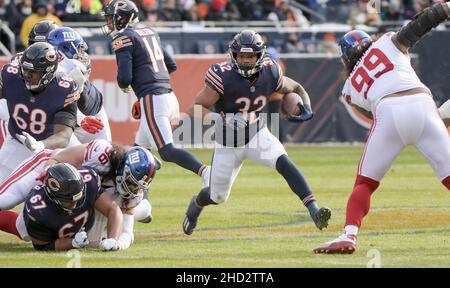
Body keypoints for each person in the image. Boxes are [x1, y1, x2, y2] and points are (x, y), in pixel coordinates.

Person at [313, 2, 450, 254]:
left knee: (364, 183)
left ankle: (349, 235)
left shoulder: (349, 88)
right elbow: (419, 25)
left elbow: (372, 113)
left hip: (387, 111)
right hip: (421, 102)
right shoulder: (386, 42)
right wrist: (444, 9)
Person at [182, 30, 331, 235]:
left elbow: (295, 87)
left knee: (283, 161)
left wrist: (307, 105)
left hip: (256, 133)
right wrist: (222, 119)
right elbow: (194, 109)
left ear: (259, 56)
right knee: (218, 196)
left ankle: (314, 209)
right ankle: (197, 204)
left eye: (250, 56)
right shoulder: (222, 75)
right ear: (233, 56)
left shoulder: (271, 71)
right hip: (228, 143)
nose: (245, 61)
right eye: (241, 56)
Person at [102, 0, 210, 187]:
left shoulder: (122, 38)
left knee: (167, 151)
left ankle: (206, 172)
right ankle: (140, 200)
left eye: (111, 18)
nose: (109, 23)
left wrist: (132, 87)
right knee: (138, 152)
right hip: (168, 97)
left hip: (154, 99)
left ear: (122, 19)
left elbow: (124, 77)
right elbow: (171, 65)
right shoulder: (149, 32)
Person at [0, 140, 154, 224]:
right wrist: (48, 178)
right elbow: (56, 159)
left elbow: (121, 216)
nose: (134, 189)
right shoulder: (101, 154)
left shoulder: (131, 192)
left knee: (27, 231)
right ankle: (145, 210)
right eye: (131, 181)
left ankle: (144, 210)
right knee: (5, 201)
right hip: (48, 169)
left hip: (69, 196)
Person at [0, 42, 79, 183]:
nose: (27, 75)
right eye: (25, 69)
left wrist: (40, 145)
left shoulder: (63, 89)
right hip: (18, 140)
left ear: (48, 73)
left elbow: (64, 136)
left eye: (34, 71)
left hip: (52, 144)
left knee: (85, 177)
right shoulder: (10, 76)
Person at [16, 163, 122, 251]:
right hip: (48, 230)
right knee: (21, 230)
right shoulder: (37, 211)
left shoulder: (88, 180)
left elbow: (112, 209)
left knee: (95, 242)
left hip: (86, 226)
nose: (75, 203)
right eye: (68, 201)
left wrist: (113, 239)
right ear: (52, 197)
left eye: (78, 198)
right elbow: (44, 246)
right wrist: (73, 243)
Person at [47, 26, 112, 144]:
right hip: (65, 122)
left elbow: (87, 106)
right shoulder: (55, 71)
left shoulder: (72, 68)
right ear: (64, 49)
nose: (82, 54)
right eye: (78, 48)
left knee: (104, 151)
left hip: (86, 116)